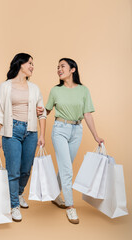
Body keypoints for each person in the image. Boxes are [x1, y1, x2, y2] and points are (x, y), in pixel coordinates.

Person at [44, 58, 104, 224]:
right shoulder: (55, 90)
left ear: (73, 69)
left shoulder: (84, 90)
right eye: (57, 67)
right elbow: (46, 111)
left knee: (66, 166)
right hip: (60, 130)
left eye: (62, 66)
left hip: (77, 131)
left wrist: (96, 136)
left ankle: (55, 195)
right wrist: (37, 110)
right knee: (67, 169)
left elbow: (87, 114)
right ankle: (70, 207)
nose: (59, 69)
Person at [0, 53, 46, 222]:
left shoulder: (35, 88)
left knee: (26, 169)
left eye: (33, 63)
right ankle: (14, 204)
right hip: (12, 131)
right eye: (30, 63)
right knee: (13, 170)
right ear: (20, 64)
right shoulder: (5, 86)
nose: (32, 66)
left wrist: (42, 135)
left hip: (31, 132)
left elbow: (42, 113)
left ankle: (19, 193)